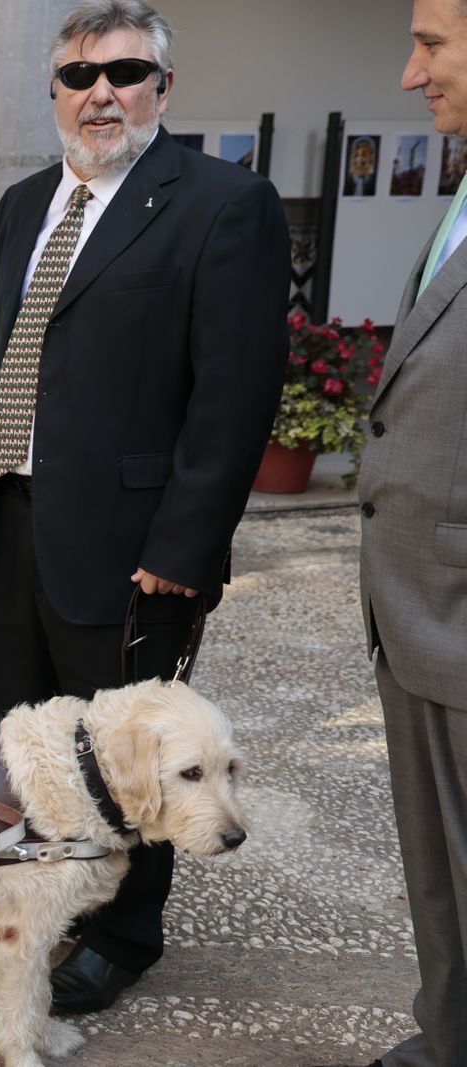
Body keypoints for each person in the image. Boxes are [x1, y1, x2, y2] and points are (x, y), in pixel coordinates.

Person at [0, 0, 288, 1013]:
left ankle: (123, 929)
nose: (99, 92)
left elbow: (233, 397)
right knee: (16, 730)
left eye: (124, 72)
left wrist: (184, 545)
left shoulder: (221, 205)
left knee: (133, 749)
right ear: (53, 90)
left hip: (132, 545)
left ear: (161, 87)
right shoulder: (23, 203)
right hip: (12, 523)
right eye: (76, 76)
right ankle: (21, 883)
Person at [331, 4, 467, 1064]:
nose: (409, 70)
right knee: (438, 864)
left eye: (433, 41)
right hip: (419, 604)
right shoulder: (459, 188)